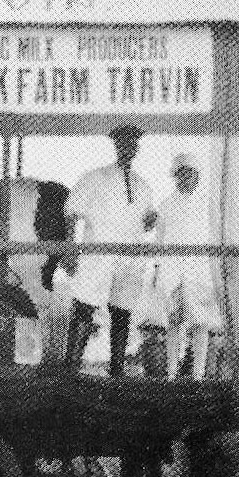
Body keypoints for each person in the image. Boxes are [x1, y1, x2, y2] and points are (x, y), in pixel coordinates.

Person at [63, 124, 157, 378]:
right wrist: (70, 249)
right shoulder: (95, 177)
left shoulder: (143, 185)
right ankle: (70, 370)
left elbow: (146, 220)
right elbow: (71, 214)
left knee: (122, 311)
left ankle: (116, 371)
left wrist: (150, 221)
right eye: (123, 143)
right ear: (116, 145)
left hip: (130, 256)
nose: (128, 148)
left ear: (137, 149)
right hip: (98, 253)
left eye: (133, 144)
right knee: (85, 306)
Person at [155, 152, 223, 381]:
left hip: (199, 269)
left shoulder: (208, 205)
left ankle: (198, 374)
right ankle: (171, 373)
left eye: (190, 174)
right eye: (181, 174)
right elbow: (159, 240)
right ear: (175, 176)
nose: (186, 178)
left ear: (197, 176)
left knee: (200, 321)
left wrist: (216, 269)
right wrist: (158, 269)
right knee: (174, 320)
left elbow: (216, 238)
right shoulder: (166, 205)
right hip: (172, 269)